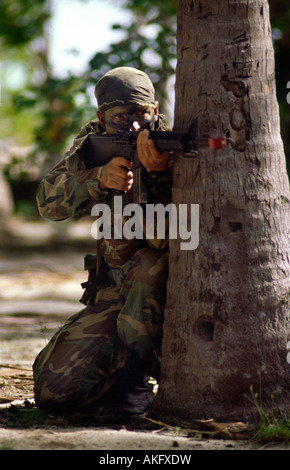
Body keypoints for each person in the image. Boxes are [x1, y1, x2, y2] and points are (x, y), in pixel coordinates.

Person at [33, 67, 172, 416]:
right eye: (120, 117)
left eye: (141, 114)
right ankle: (117, 375)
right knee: (56, 393)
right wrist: (98, 178)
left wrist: (164, 173)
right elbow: (47, 203)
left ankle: (135, 385)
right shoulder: (94, 145)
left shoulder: (172, 145)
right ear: (101, 118)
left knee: (149, 265)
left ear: (155, 109)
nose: (133, 125)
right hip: (114, 297)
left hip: (171, 301)